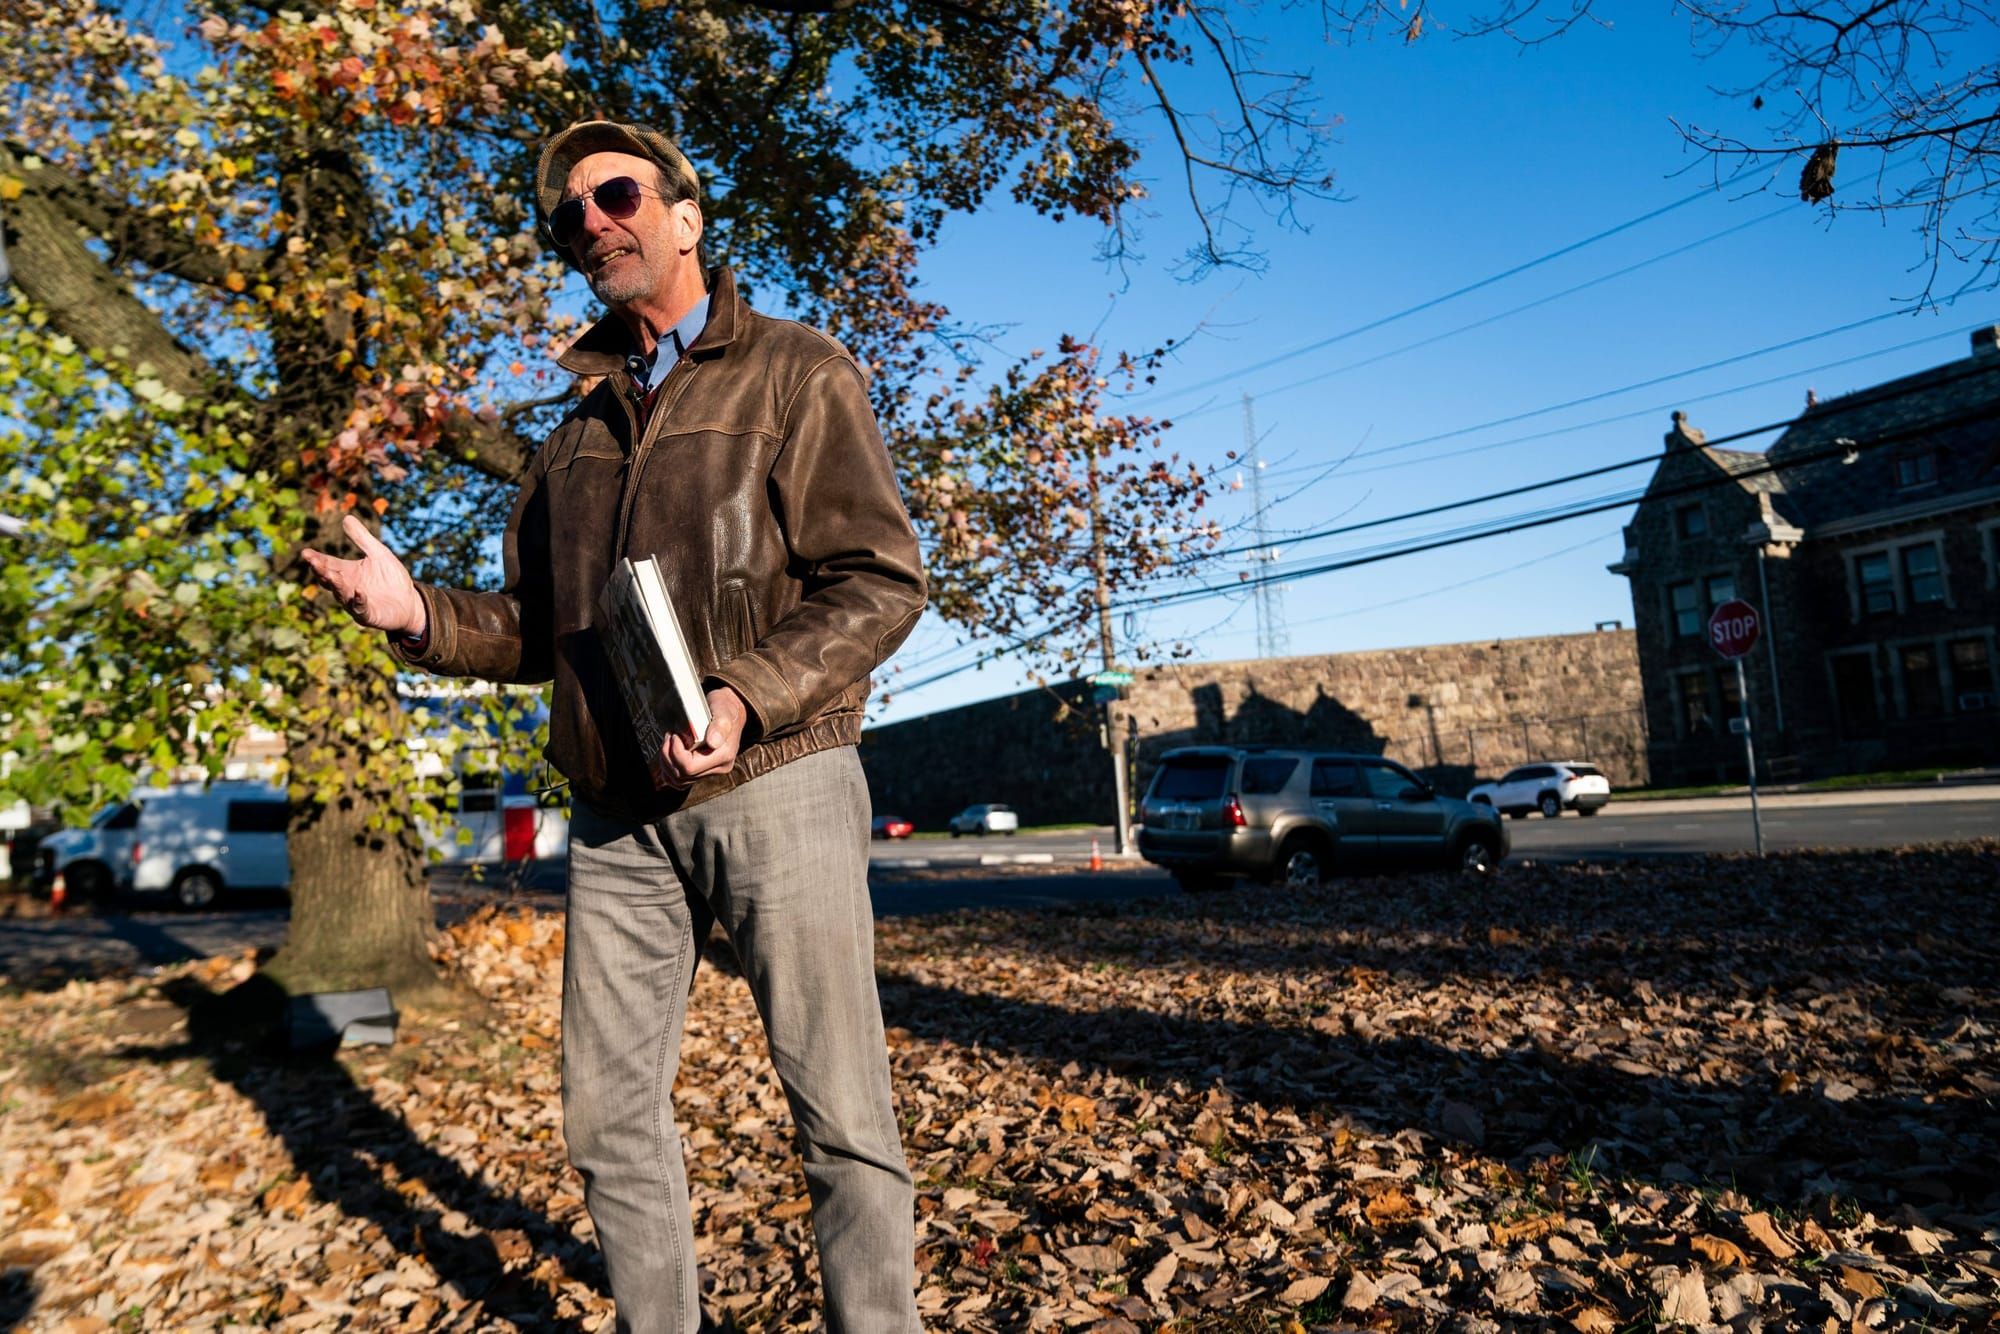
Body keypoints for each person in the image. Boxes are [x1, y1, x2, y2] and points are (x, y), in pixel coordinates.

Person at [303, 120, 928, 1334]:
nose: (590, 223)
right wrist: (416, 612)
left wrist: (745, 694)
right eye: (568, 216)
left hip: (776, 775)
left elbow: (878, 578)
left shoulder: (795, 371)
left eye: (617, 195)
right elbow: (541, 628)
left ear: (686, 217)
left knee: (840, 1113)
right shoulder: (572, 435)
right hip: (616, 813)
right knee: (604, 1116)